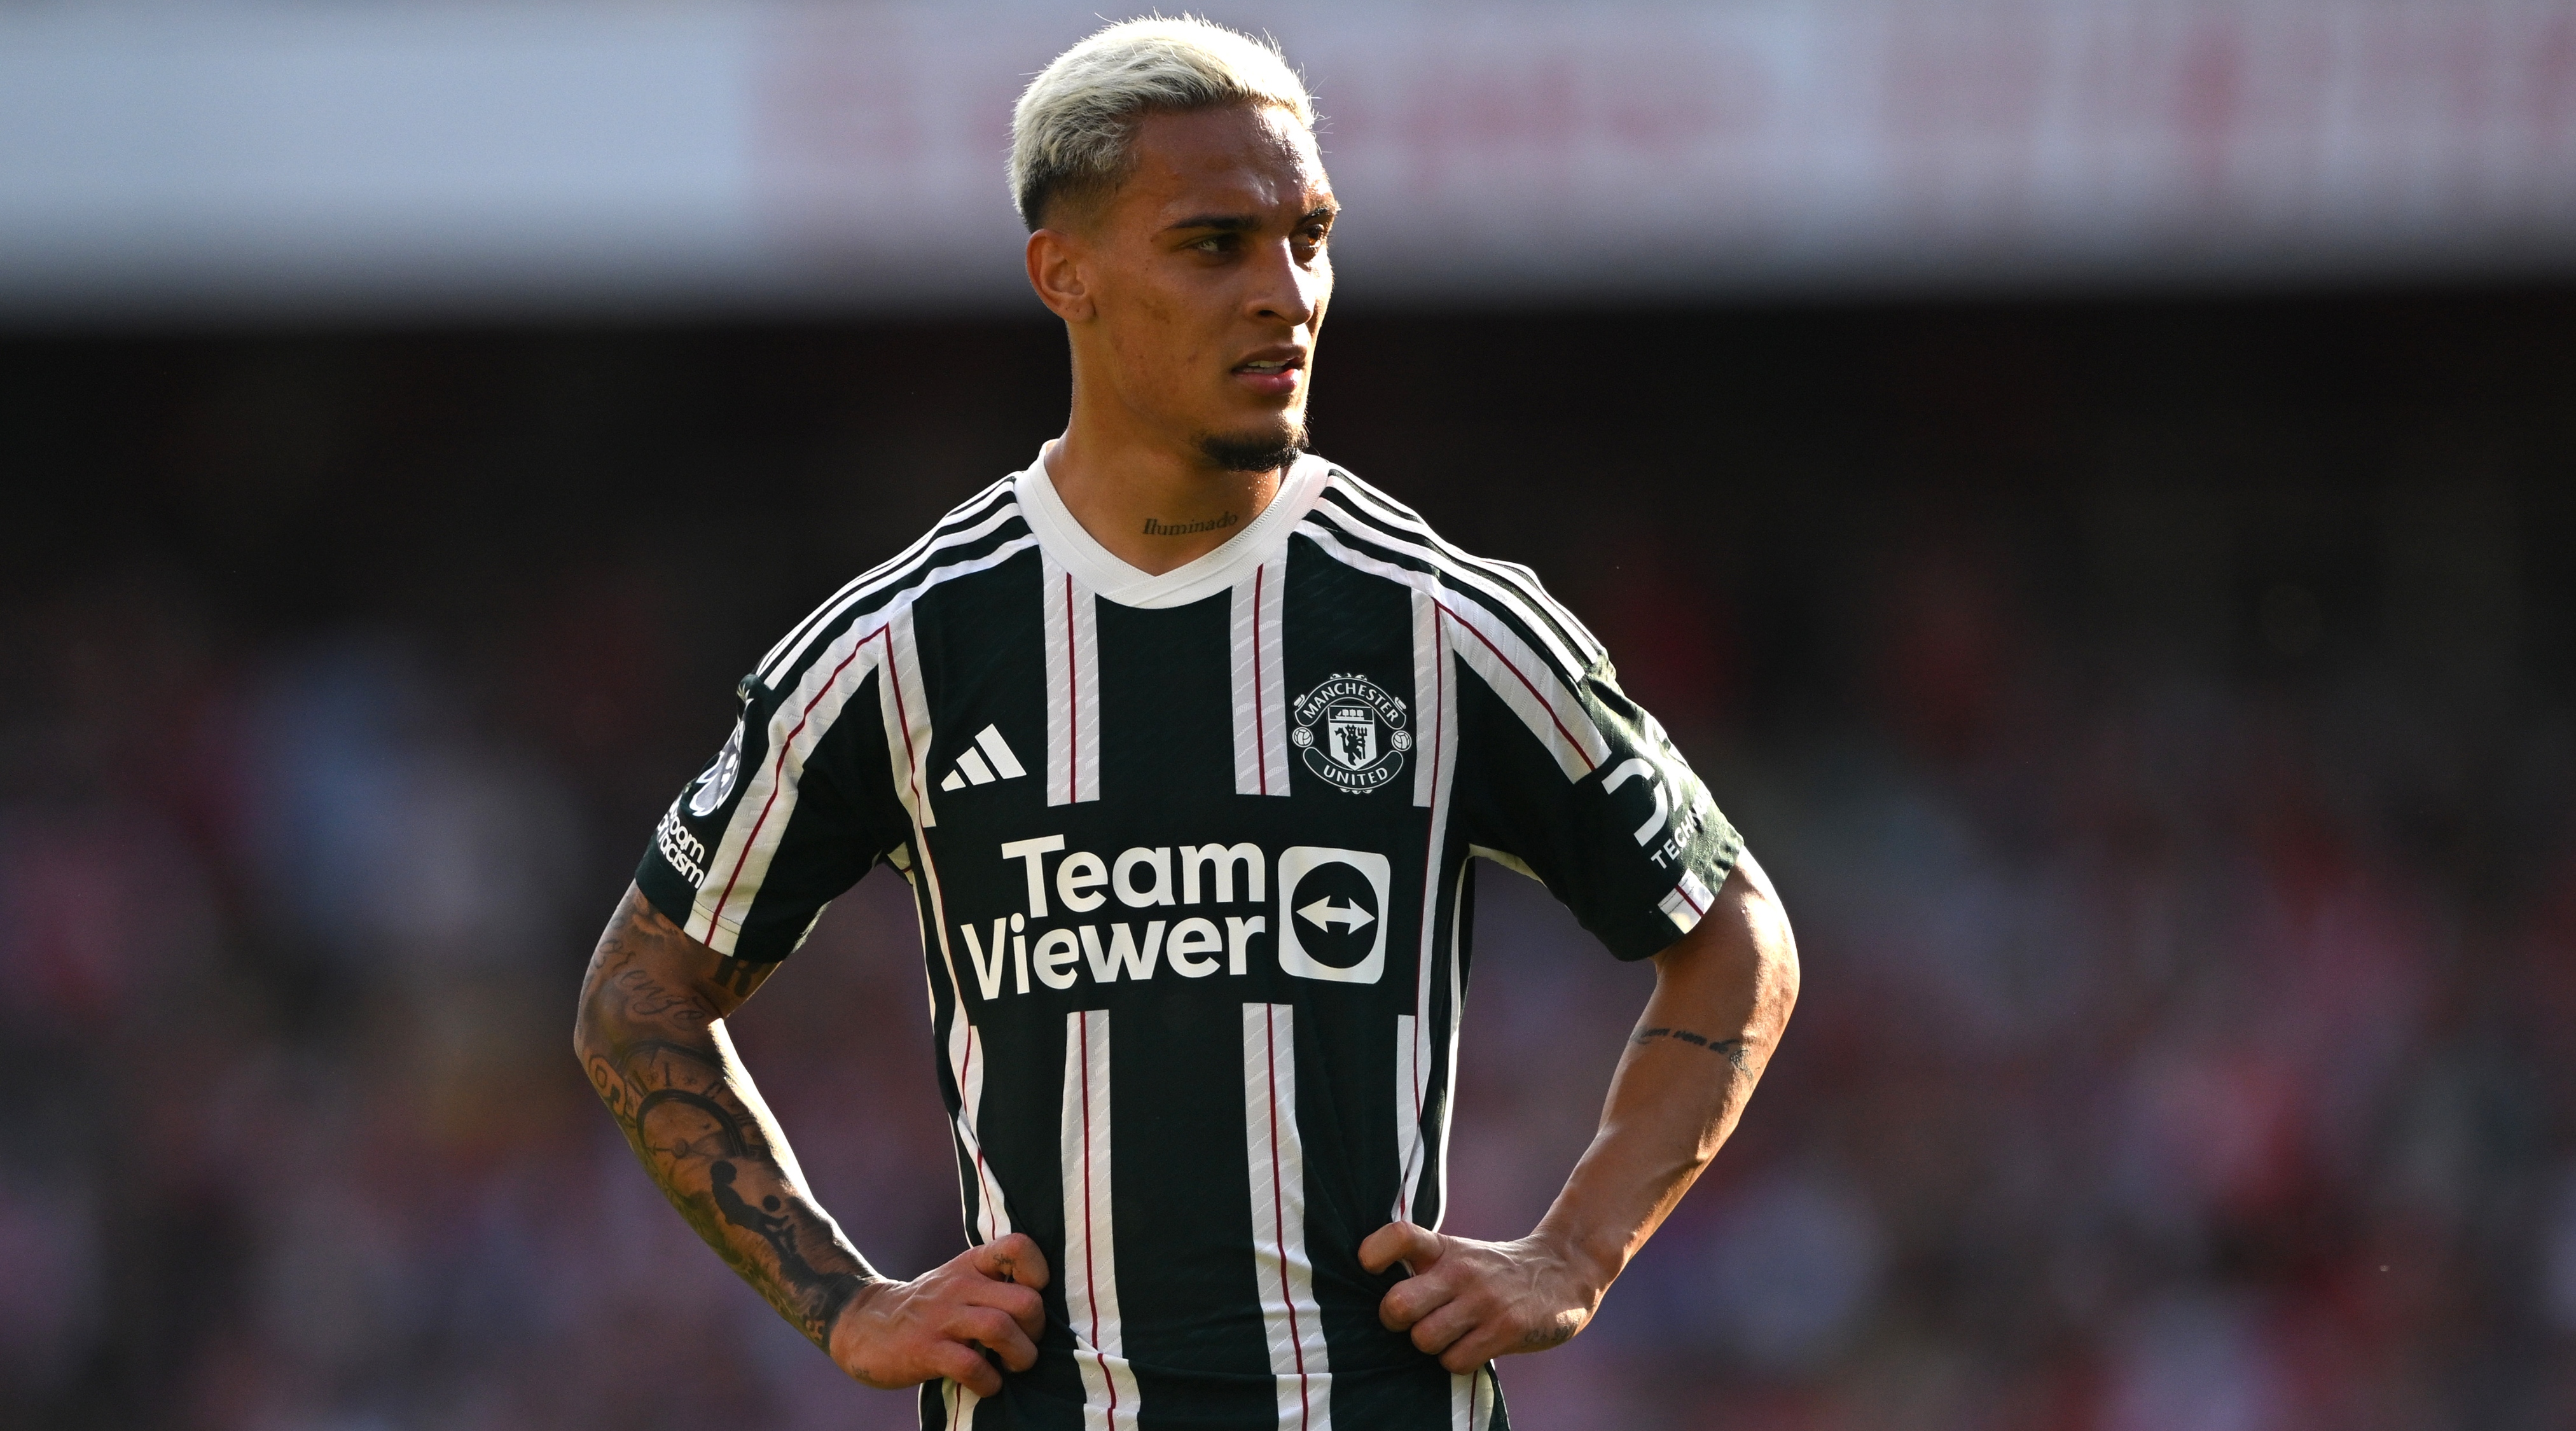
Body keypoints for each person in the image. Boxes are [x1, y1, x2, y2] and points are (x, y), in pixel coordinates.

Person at [574, 17, 1797, 1429]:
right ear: (1066, 274)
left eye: (1310, 237)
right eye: (1216, 244)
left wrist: (1573, 1250)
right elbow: (638, 995)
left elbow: (1731, 940)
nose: (1286, 293)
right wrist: (847, 1301)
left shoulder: (1443, 624)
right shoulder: (908, 644)